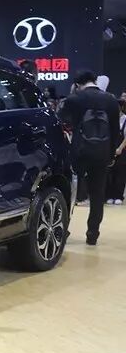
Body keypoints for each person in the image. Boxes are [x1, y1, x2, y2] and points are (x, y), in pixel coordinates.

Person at [59, 70, 122, 245]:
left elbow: (62, 122)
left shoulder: (75, 99)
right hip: (102, 153)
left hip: (79, 152)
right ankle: (92, 234)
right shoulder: (111, 100)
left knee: (69, 192)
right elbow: (115, 130)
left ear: (77, 84)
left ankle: (63, 230)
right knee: (97, 194)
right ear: (95, 80)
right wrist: (111, 154)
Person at [106, 99, 126, 205]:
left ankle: (118, 196)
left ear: (121, 107)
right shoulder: (111, 119)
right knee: (110, 174)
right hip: (111, 149)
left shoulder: (125, 119)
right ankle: (110, 195)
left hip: (122, 150)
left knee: (120, 174)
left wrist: (120, 148)